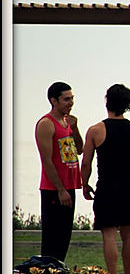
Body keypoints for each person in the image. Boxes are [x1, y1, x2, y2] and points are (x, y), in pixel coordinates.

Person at [80, 84, 130, 274]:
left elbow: (86, 163)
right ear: (128, 104)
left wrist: (85, 184)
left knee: (108, 233)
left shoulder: (96, 130)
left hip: (107, 186)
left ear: (107, 101)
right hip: (128, 185)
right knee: (129, 234)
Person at [35, 81, 84, 261]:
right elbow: (46, 161)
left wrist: (76, 128)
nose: (70, 103)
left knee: (64, 238)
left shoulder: (68, 122)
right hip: (54, 190)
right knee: (52, 240)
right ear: (54, 101)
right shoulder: (46, 124)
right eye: (66, 99)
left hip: (70, 186)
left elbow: (80, 149)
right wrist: (61, 190)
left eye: (72, 99)